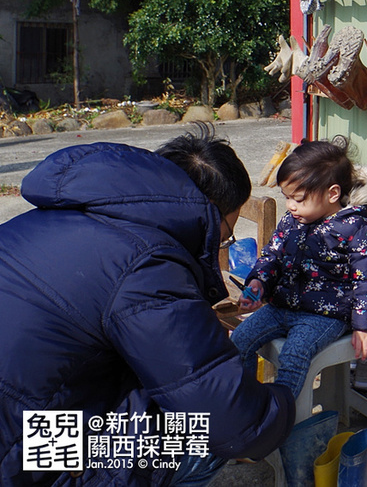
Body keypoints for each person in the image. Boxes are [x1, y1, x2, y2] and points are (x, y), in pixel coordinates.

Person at [0, 128, 295, 486]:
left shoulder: (54, 215)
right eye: (229, 232)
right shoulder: (147, 264)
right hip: (23, 454)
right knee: (200, 436)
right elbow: (233, 423)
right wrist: (280, 401)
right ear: (213, 216)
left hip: (20, 417)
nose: (224, 242)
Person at [231, 138, 367, 398]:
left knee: (294, 355)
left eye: (299, 199)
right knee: (238, 342)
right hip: (281, 306)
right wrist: (258, 282)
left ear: (332, 194)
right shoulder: (292, 220)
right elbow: (272, 255)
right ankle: (244, 407)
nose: (291, 205)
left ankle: (278, 416)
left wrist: (364, 327)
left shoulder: (358, 229)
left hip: (325, 316)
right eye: (287, 198)